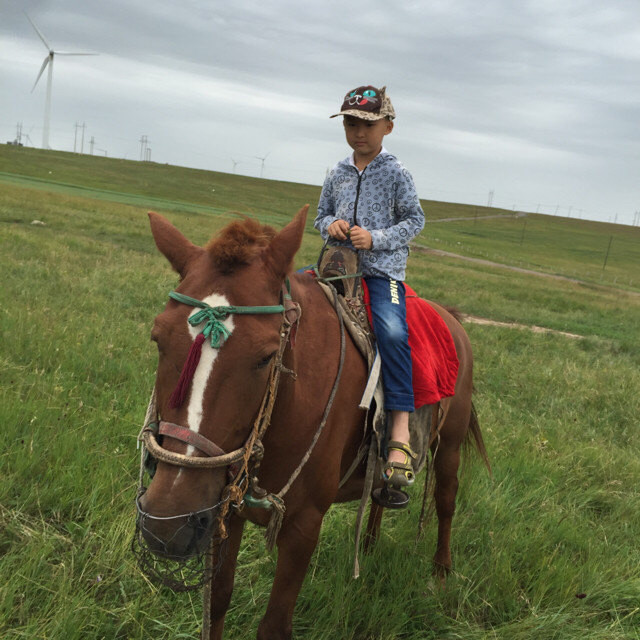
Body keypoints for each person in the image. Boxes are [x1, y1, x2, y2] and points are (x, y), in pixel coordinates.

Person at [314, 85, 425, 488]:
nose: (358, 131)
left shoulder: (397, 173)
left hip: (382, 272)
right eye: (350, 123)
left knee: (393, 332)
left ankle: (398, 428)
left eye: (367, 123)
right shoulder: (338, 172)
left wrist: (375, 239)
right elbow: (321, 215)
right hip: (337, 265)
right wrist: (332, 226)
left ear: (388, 127)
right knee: (291, 298)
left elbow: (415, 221)